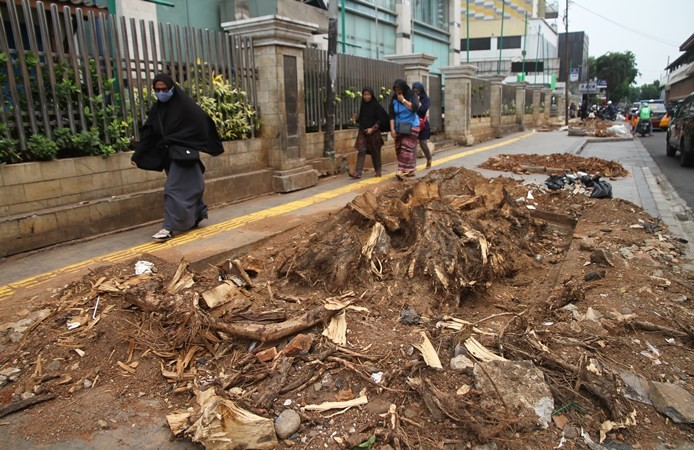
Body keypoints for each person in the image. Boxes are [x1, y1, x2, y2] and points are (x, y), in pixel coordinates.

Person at [131, 73, 223, 241]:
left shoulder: (184, 106)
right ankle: (197, 214)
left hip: (184, 156)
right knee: (190, 187)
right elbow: (148, 133)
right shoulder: (157, 110)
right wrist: (138, 155)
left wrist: (200, 143)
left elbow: (203, 121)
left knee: (173, 190)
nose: (161, 93)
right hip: (169, 156)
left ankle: (168, 228)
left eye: (164, 89)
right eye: (157, 90)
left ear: (172, 88)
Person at [349, 87, 387, 179]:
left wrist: (372, 129)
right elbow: (363, 119)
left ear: (371, 95)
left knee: (375, 152)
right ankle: (358, 172)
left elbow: (381, 120)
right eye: (365, 95)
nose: (366, 97)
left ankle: (378, 170)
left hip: (374, 133)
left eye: (368, 94)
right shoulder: (363, 106)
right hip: (363, 131)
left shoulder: (376, 106)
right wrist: (356, 119)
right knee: (361, 150)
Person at [389, 79, 420, 179]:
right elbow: (391, 115)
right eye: (396, 89)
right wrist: (392, 129)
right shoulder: (393, 99)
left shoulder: (411, 95)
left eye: (400, 89)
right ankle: (411, 169)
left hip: (412, 126)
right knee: (399, 148)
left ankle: (400, 170)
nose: (398, 91)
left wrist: (403, 100)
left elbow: (415, 108)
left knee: (405, 148)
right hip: (399, 127)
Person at [412, 82, 432, 169]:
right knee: (412, 145)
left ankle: (429, 159)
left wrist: (418, 102)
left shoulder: (426, 99)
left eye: (418, 91)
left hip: (422, 125)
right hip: (413, 124)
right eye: (414, 91)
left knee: (423, 144)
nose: (416, 93)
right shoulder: (410, 98)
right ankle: (412, 165)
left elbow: (423, 111)